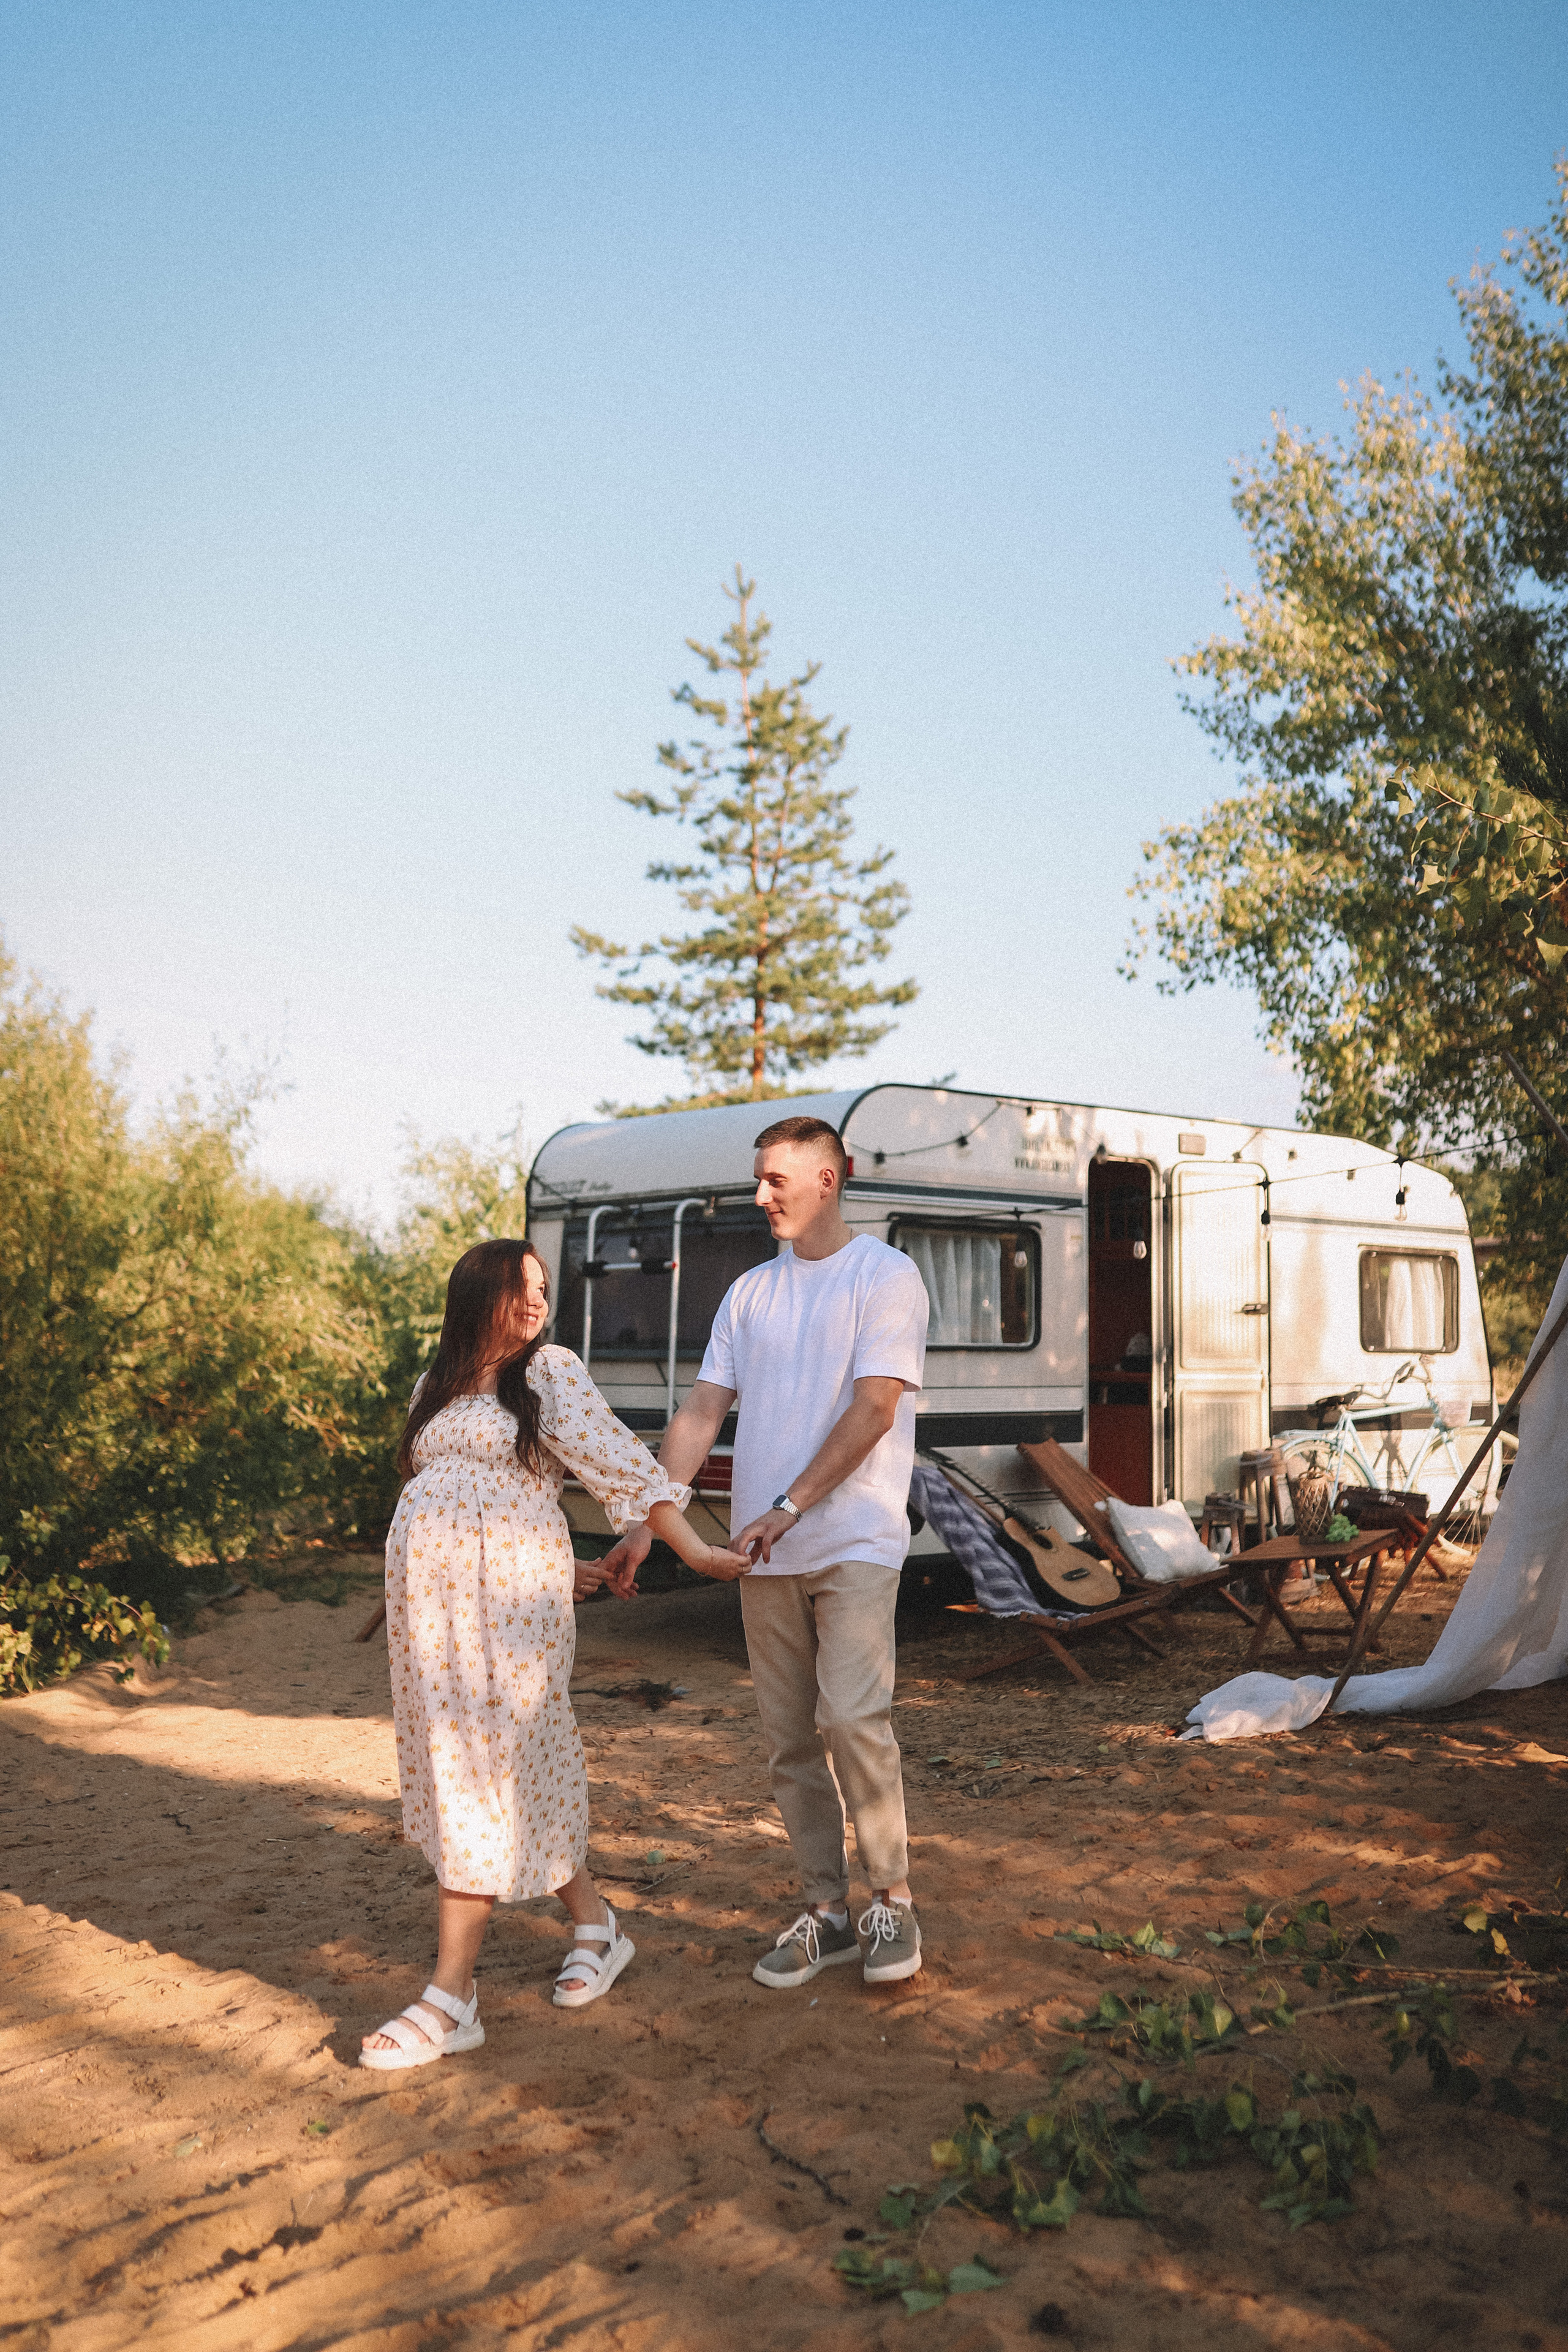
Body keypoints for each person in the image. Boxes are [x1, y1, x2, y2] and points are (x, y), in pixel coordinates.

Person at [361, 1238, 749, 2071]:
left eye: (543, 1289)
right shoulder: (432, 1386)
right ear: (476, 1294)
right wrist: (556, 1562)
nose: (536, 1301)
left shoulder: (549, 1373)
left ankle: (452, 1996)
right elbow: (460, 1500)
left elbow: (623, 1468)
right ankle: (598, 1926)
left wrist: (694, 1550)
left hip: (508, 1622)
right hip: (436, 1620)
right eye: (518, 1286)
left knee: (481, 1773)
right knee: (507, 1771)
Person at [601, 1115, 929, 1990]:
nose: (760, 1196)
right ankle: (828, 1911)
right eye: (759, 1179)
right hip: (762, 1554)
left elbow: (874, 1409)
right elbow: (701, 1414)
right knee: (789, 1743)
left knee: (854, 1719)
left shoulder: (885, 1277)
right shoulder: (750, 1294)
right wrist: (648, 1524)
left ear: (830, 1178)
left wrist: (788, 1505)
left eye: (776, 1179)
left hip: (852, 1536)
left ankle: (889, 1897)